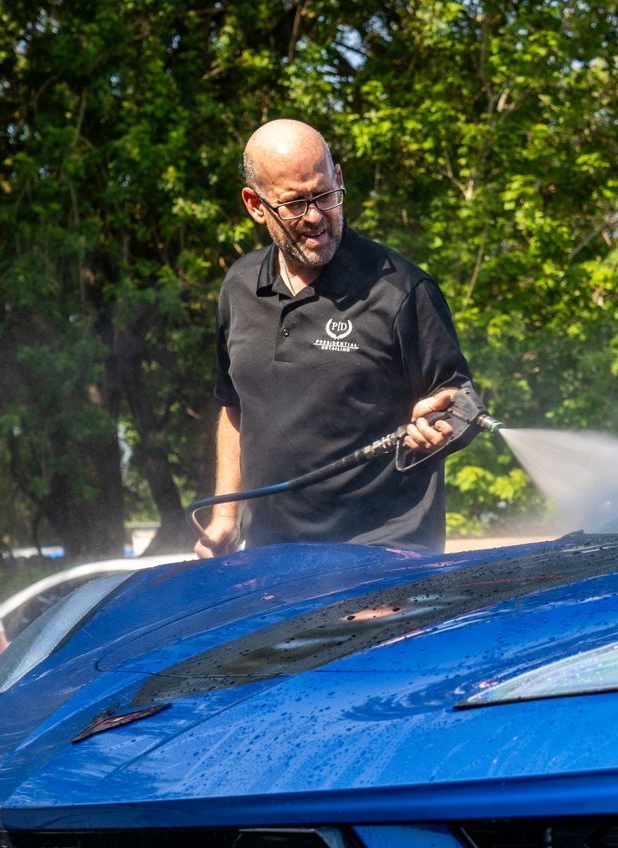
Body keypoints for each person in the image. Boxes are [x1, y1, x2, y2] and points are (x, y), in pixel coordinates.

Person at [198, 119, 479, 555]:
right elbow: (234, 407)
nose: (315, 217)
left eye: (325, 195)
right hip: (270, 557)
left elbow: (462, 402)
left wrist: (441, 425)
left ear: (339, 178)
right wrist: (225, 517)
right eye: (293, 204)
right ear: (255, 205)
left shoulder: (403, 290)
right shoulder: (239, 286)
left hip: (384, 557)